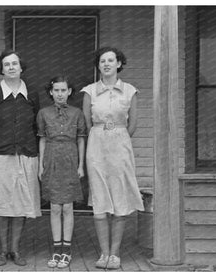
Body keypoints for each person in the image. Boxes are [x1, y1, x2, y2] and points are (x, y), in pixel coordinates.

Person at [82, 47, 144, 269]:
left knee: (119, 197)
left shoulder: (129, 91)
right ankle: (103, 253)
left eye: (111, 60)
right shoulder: (89, 91)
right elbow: (87, 122)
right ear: (98, 66)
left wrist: (118, 136)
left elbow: (133, 123)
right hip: (96, 144)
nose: (106, 64)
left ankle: (115, 254)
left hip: (120, 144)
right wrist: (99, 134)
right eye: (102, 61)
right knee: (99, 197)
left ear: (119, 64)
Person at [0, 49, 41, 267]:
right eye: (7, 64)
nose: (11, 67)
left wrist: (38, 156)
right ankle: (3, 251)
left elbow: (37, 126)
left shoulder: (31, 92)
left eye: (15, 63)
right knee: (3, 205)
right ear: (1, 69)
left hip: (26, 155)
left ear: (21, 67)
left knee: (21, 204)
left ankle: (16, 250)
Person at [37, 76, 86, 268]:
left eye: (63, 90)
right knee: (55, 207)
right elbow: (42, 139)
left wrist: (81, 165)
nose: (60, 94)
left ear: (69, 92)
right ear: (51, 92)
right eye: (56, 90)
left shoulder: (77, 113)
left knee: (68, 207)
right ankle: (56, 250)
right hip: (51, 158)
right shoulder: (43, 113)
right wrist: (41, 164)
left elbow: (81, 139)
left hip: (70, 158)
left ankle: (67, 250)